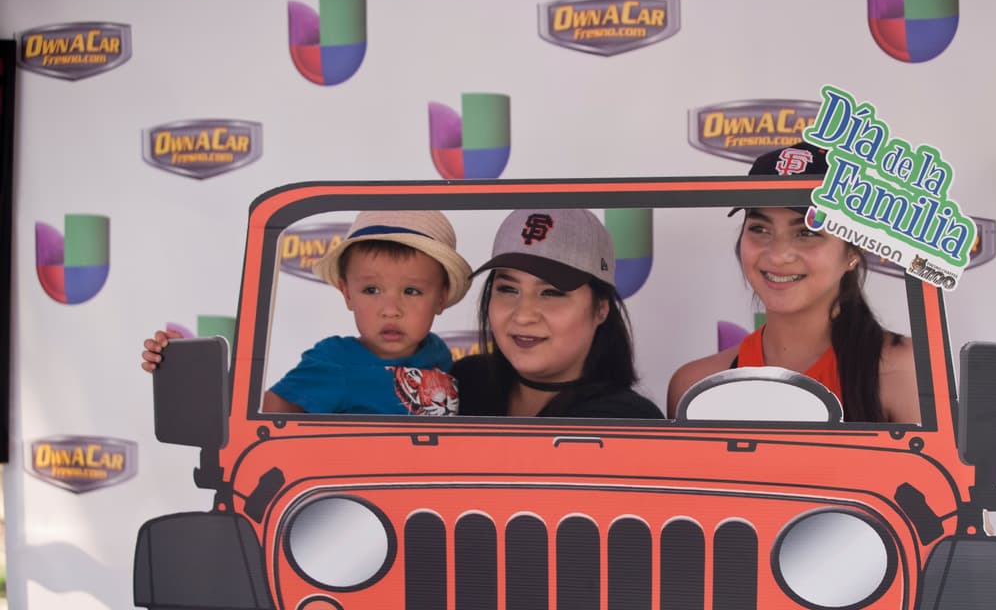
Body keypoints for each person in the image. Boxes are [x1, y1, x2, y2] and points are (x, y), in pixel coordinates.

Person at [666, 142, 920, 423]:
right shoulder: (695, 385)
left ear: (853, 251)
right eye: (759, 228)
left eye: (806, 232)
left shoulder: (905, 371)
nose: (778, 256)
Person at [141, 209, 472, 415]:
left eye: (412, 291)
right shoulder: (334, 361)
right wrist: (190, 375)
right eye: (371, 290)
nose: (390, 310)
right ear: (347, 294)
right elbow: (258, 416)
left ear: (440, 299)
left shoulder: (440, 356)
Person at [451, 209, 664, 419]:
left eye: (551, 293)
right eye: (508, 289)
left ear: (601, 308)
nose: (523, 316)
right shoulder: (461, 384)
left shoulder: (625, 419)